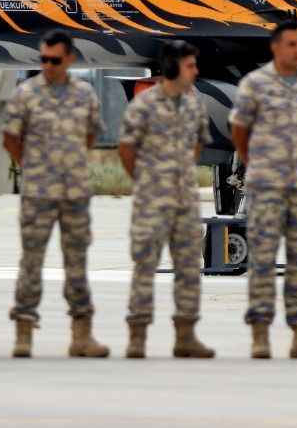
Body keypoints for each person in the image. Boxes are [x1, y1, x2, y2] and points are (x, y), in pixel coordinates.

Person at [230, 19, 297, 359]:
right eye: (291, 44)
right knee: (262, 259)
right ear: (275, 47)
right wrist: (257, 164)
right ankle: (260, 335)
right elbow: (239, 131)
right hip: (266, 187)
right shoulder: (255, 84)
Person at [3, 30, 109, 358]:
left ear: (70, 59)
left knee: (77, 263)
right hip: (38, 193)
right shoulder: (26, 94)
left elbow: (91, 135)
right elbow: (10, 138)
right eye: (44, 59)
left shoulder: (84, 94)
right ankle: (23, 332)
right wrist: (33, 167)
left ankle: (81, 335)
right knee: (31, 262)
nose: (48, 65)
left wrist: (70, 163)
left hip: (74, 193)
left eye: (55, 60)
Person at [118, 41, 215, 359]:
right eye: (190, 65)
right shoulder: (144, 105)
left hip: (185, 200)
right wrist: (147, 181)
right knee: (145, 266)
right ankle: (137, 336)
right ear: (173, 67)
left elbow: (198, 145)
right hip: (152, 200)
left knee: (188, 268)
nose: (196, 71)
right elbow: (127, 149)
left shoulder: (194, 104)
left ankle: (185, 335)